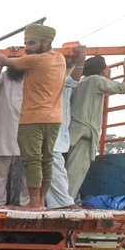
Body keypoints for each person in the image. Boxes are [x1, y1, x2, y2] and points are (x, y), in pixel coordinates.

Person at [0, 24, 67, 210]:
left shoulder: (36, 61)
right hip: (52, 119)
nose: (27, 47)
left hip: (33, 119)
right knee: (46, 159)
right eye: (26, 43)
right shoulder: (58, 58)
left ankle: (34, 202)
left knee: (33, 161)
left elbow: (9, 63)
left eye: (31, 43)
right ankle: (39, 200)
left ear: (46, 42)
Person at [65, 54, 125, 201]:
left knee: (66, 170)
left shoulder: (78, 82)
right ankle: (65, 203)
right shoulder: (96, 80)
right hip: (85, 134)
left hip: (72, 132)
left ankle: (65, 199)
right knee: (76, 172)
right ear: (103, 70)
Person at [46, 46, 85, 208]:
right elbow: (73, 79)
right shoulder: (54, 75)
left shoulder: (63, 74)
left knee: (51, 165)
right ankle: (63, 202)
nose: (70, 62)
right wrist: (82, 59)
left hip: (58, 126)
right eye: (68, 58)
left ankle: (56, 202)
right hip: (51, 125)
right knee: (55, 165)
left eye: (72, 59)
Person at [0, 62, 28, 207]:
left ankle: (26, 203)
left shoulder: (31, 78)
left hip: (25, 131)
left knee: (27, 172)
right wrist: (0, 63)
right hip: (3, 131)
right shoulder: (3, 77)